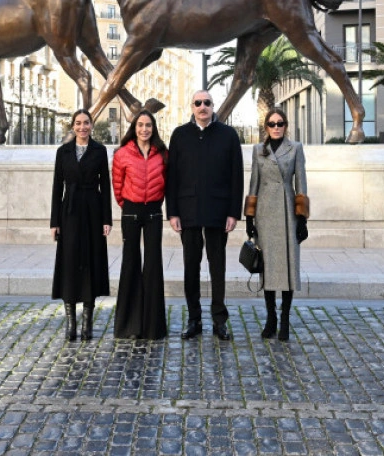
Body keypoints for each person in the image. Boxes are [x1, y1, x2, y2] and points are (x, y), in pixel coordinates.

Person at [166, 89, 243, 341]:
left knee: (217, 267)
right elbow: (172, 176)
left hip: (218, 211)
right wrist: (172, 212)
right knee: (191, 267)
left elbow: (236, 176)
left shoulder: (228, 135)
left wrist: (233, 212)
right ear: (192, 107)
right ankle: (194, 319)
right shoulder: (179, 135)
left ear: (213, 106)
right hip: (187, 211)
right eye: (198, 103)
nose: (202, 107)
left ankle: (219, 320)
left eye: (207, 103)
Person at [246, 107, 308, 342]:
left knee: (288, 266)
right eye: (271, 124)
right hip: (264, 214)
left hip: (287, 213)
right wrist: (249, 219)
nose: (276, 127)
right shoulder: (258, 151)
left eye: (280, 123)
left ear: (286, 126)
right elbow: (253, 184)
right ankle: (270, 317)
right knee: (268, 267)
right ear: (266, 127)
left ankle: (285, 319)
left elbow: (301, 184)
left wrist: (302, 219)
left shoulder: (296, 148)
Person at [50, 109, 112, 342]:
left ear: (92, 125)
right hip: (69, 213)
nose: (82, 127)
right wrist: (54, 222)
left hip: (93, 211)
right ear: (73, 126)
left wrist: (107, 219)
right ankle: (71, 322)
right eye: (78, 123)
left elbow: (105, 187)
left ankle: (87, 322)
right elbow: (57, 187)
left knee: (91, 263)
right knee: (69, 263)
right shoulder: (63, 151)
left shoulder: (99, 150)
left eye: (86, 123)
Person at [111, 110, 168, 340]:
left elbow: (166, 183)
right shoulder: (122, 154)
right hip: (131, 211)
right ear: (134, 128)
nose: (144, 129)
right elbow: (117, 186)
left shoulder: (162, 153)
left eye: (148, 125)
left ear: (153, 128)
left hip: (153, 211)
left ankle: (153, 327)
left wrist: (154, 203)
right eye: (140, 125)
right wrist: (129, 205)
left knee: (153, 264)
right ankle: (129, 326)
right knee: (131, 263)